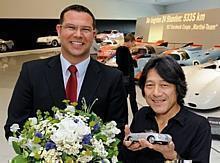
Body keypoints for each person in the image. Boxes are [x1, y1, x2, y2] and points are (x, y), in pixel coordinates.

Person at [4, 4, 128, 146]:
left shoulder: (112, 78)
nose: (78, 34)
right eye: (71, 27)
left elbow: (117, 130)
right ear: (59, 30)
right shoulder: (32, 72)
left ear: (93, 35)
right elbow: (14, 126)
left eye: (85, 29)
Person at [122, 55, 211, 163]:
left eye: (164, 85)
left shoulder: (198, 126)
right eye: (150, 85)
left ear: (178, 88)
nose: (156, 93)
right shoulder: (142, 115)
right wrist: (128, 148)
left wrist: (173, 157)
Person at [116, 33, 138, 116]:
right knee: (132, 99)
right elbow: (124, 64)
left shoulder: (119, 49)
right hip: (128, 78)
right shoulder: (124, 50)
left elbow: (119, 62)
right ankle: (136, 116)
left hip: (124, 78)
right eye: (133, 43)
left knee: (123, 99)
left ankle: (123, 115)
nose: (133, 44)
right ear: (130, 41)